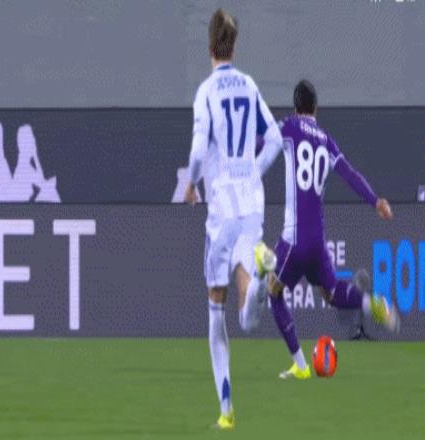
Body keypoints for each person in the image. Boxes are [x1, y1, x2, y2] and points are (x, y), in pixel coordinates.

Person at [254, 80, 399, 380]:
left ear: (296, 107)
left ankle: (300, 365)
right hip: (317, 239)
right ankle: (370, 303)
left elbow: (263, 143)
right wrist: (375, 201)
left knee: (273, 292)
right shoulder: (327, 140)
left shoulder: (289, 126)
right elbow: (350, 174)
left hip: (294, 238)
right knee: (331, 294)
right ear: (316, 108)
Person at [184, 9, 282, 429]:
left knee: (215, 309)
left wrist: (191, 184)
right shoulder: (249, 84)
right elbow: (275, 139)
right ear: (234, 46)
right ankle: (259, 277)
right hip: (252, 202)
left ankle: (226, 410)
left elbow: (196, 153)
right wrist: (252, 171)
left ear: (209, 46)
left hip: (222, 207)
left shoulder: (206, 91)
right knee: (248, 315)